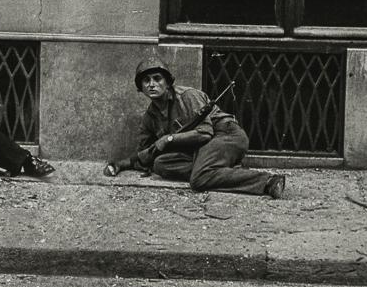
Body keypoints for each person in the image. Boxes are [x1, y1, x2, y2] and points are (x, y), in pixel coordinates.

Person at [104, 58, 286, 199]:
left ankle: (268, 182)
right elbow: (146, 152)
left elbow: (205, 133)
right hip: (199, 150)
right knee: (161, 164)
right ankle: (223, 170)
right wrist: (120, 164)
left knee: (199, 180)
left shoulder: (187, 96)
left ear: (167, 83)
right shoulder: (150, 117)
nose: (151, 84)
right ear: (141, 88)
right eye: (146, 81)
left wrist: (169, 139)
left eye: (157, 79)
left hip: (225, 135)